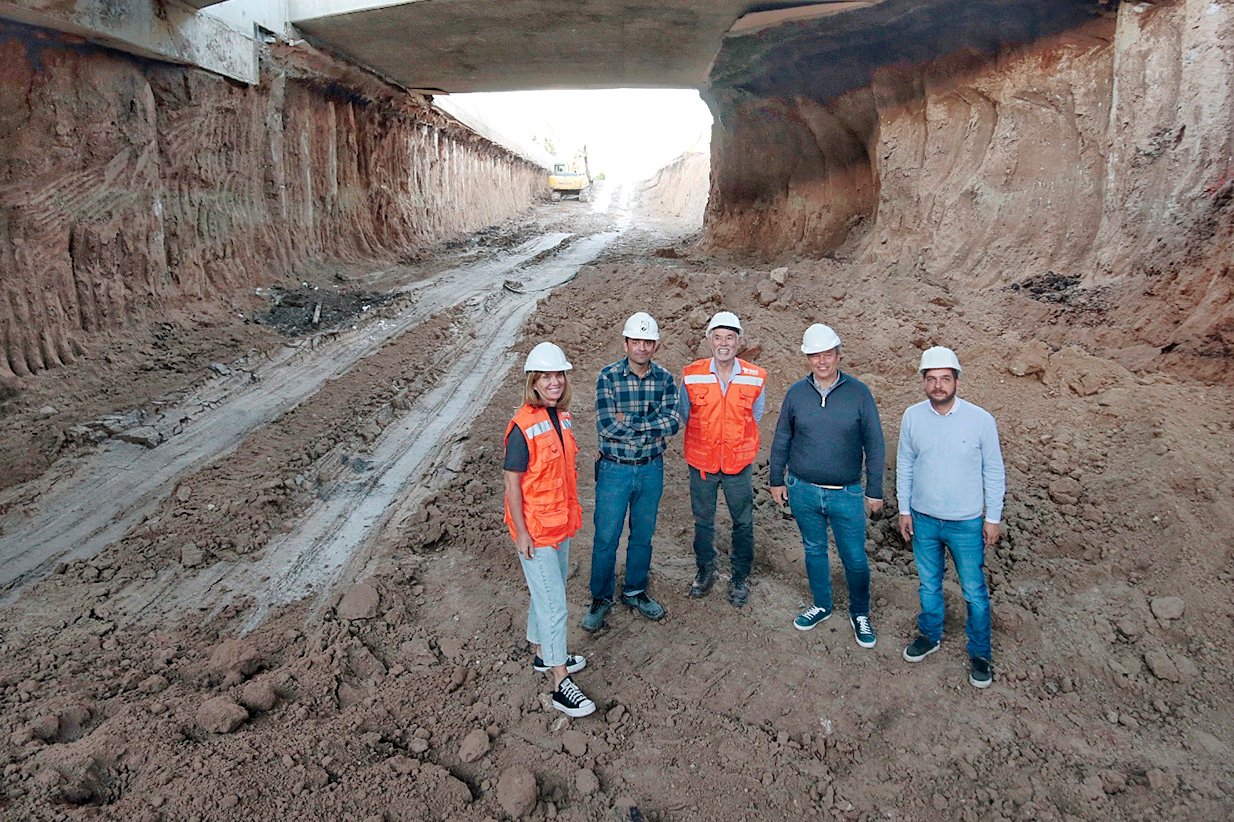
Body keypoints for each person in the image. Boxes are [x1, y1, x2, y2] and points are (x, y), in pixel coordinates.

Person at [770, 323, 885, 648]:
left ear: (838, 355)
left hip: (846, 494)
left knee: (854, 558)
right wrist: (776, 478)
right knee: (814, 550)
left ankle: (860, 613)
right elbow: (782, 438)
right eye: (815, 355)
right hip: (803, 490)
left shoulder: (858, 393)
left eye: (828, 354)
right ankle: (821, 604)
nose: (822, 361)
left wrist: (874, 489)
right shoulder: (796, 393)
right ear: (807, 358)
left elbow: (874, 443)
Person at [897, 346, 1006, 689]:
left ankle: (980, 652)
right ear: (924, 383)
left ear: (957, 380)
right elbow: (905, 464)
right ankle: (930, 636)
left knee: (973, 590)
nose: (938, 386)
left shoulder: (981, 420)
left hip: (966, 522)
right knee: (929, 584)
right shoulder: (912, 417)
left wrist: (993, 517)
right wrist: (903, 509)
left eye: (945, 379)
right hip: (924, 518)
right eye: (932, 380)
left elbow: (994, 470)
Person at [503, 342, 595, 717]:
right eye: (546, 377)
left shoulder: (563, 417)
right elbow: (512, 484)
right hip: (536, 531)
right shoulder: (522, 427)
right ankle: (560, 682)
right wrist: (522, 534)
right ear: (534, 382)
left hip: (559, 525)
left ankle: (542, 653)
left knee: (545, 594)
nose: (554, 382)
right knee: (555, 604)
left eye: (559, 375)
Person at [582, 312, 680, 631]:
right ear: (625, 343)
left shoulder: (665, 379)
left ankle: (635, 590)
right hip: (615, 471)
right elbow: (606, 425)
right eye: (635, 341)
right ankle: (601, 597)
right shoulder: (608, 377)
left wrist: (631, 421)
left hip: (651, 469)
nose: (641, 347)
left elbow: (673, 422)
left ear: (655, 345)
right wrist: (650, 426)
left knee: (643, 535)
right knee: (607, 536)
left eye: (647, 342)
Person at [679, 311, 766, 607]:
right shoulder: (691, 374)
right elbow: (684, 415)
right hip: (702, 463)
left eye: (729, 337)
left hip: (737, 465)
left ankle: (739, 577)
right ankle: (705, 571)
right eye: (718, 337)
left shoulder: (756, 377)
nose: (724, 343)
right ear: (709, 341)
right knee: (703, 521)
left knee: (743, 522)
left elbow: (754, 417)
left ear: (738, 341)